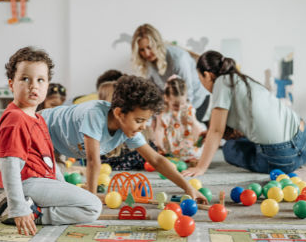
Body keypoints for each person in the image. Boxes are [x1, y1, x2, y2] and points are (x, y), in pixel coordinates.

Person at [41, 75, 207, 203]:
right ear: (119, 113)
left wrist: (188, 188)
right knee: (43, 187)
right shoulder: (94, 115)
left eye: (146, 121)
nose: (143, 126)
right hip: (38, 130)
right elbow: (93, 161)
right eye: (139, 121)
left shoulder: (127, 128)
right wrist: (92, 198)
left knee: (56, 188)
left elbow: (156, 159)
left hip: (57, 149)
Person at [0, 47, 102, 235]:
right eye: (25, 79)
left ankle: (27, 207)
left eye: (40, 80)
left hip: (40, 181)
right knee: (92, 206)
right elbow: (9, 165)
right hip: (29, 183)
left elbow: (49, 160)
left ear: (47, 85)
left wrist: (62, 186)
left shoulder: (38, 118)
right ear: (11, 84)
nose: (33, 86)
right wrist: (18, 206)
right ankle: (29, 213)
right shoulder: (16, 118)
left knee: (84, 201)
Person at [182, 50, 306, 177]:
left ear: (207, 75)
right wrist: (209, 135)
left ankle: (299, 161)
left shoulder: (221, 83)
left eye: (200, 78)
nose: (201, 84)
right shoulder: (244, 80)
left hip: (284, 158)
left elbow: (216, 131)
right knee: (252, 139)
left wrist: (201, 168)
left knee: (230, 148)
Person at [0, 82, 67, 190]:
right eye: (53, 105)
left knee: (55, 176)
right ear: (43, 100)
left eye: (60, 106)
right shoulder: (37, 118)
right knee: (26, 178)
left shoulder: (56, 118)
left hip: (42, 157)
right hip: (26, 157)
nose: (56, 109)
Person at [131, 24, 210, 122]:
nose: (146, 53)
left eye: (149, 47)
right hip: (174, 102)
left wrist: (183, 116)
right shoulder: (149, 63)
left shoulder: (178, 59)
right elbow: (154, 94)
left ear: (157, 44)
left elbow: (188, 93)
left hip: (196, 99)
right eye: (142, 50)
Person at [154, 75, 205, 164]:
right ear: (166, 98)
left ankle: (190, 158)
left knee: (195, 150)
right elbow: (159, 129)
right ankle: (172, 157)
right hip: (171, 143)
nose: (179, 107)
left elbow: (195, 127)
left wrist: (198, 139)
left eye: (182, 103)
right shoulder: (163, 112)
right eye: (175, 105)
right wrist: (159, 144)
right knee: (158, 151)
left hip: (185, 140)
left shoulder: (188, 109)